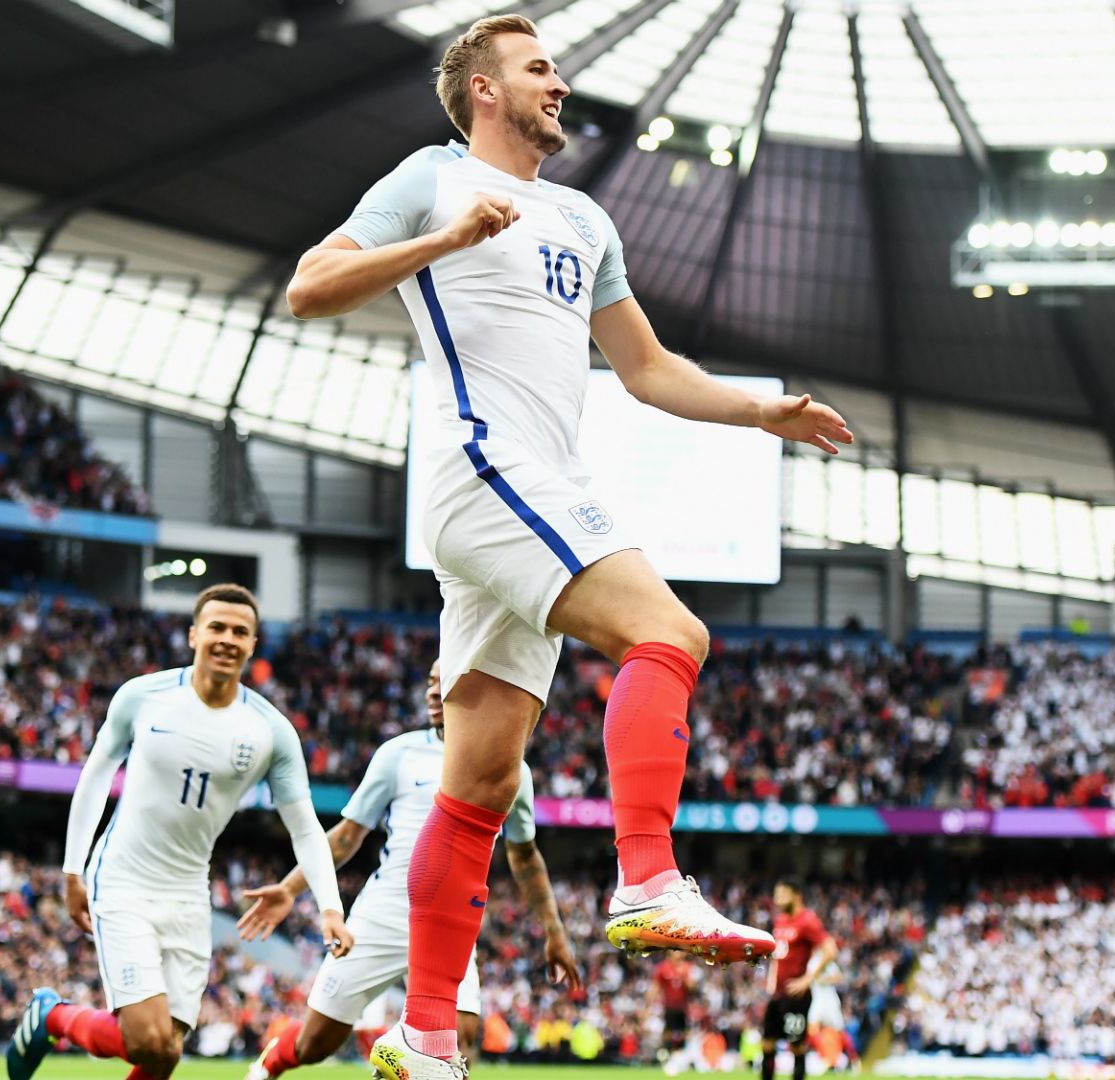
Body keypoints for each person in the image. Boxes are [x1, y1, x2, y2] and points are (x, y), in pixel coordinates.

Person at [286, 13, 852, 1078]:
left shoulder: (586, 219)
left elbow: (644, 369)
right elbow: (309, 286)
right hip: (485, 468)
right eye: (540, 68)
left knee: (482, 787)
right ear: (485, 92)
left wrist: (757, 412)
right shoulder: (430, 179)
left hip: (527, 489)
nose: (560, 82)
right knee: (670, 633)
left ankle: (425, 1037)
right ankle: (644, 880)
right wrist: (444, 244)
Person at [5, 584, 353, 1080]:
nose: (227, 639)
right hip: (124, 877)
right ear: (194, 634)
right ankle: (53, 1016)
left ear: (253, 644)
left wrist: (330, 908)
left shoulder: (270, 731)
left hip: (189, 892)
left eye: (240, 631)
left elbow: (305, 827)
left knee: (164, 1053)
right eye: (217, 627)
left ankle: (54, 1017)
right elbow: (96, 777)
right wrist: (71, 869)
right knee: (145, 1038)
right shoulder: (143, 696)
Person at [236, 660, 582, 1080]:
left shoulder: (510, 768)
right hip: (383, 913)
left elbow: (524, 856)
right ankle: (270, 1063)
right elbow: (347, 836)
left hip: (452, 920)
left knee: (460, 1043)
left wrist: (554, 930)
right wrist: (290, 890)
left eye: (446, 681)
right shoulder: (398, 754)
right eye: (430, 681)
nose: (433, 692)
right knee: (316, 1043)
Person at [762, 882, 836, 1080]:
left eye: (782, 894)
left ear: (797, 895)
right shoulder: (780, 920)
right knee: (767, 1043)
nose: (777, 899)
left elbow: (830, 950)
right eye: (776, 895)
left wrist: (806, 979)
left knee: (796, 1046)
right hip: (777, 993)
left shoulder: (808, 920)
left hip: (796, 996)